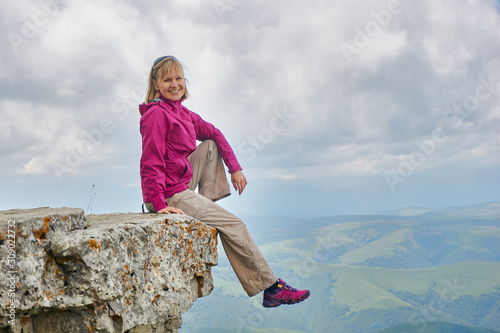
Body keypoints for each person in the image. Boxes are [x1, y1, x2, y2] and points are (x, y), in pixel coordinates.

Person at [139, 55, 310, 307]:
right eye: (167, 80)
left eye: (179, 78)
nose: (174, 84)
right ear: (155, 84)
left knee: (209, 145)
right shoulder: (156, 115)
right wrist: (157, 201)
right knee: (235, 225)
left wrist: (235, 169)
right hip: (167, 195)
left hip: (179, 184)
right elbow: (150, 162)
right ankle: (272, 288)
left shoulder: (183, 113)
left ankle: (203, 207)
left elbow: (215, 133)